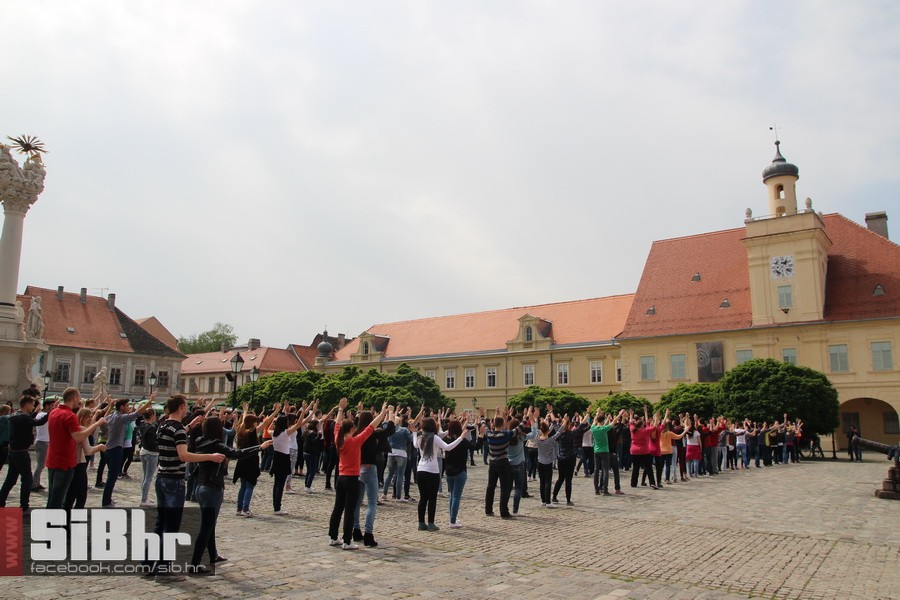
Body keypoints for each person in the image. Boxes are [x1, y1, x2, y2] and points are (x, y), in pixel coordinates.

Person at [148, 395, 225, 582]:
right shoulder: (178, 430)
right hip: (174, 480)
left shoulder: (164, 424)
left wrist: (190, 426)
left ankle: (149, 564)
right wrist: (209, 456)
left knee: (160, 523)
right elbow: (183, 456)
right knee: (171, 526)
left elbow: (176, 433)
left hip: (161, 478)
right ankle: (164, 570)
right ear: (183, 407)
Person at [190, 414, 272, 573]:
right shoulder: (216, 445)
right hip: (212, 487)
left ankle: (212, 554)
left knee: (209, 525)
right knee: (206, 527)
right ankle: (194, 563)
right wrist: (260, 447)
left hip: (200, 486)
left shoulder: (200, 441)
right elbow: (237, 453)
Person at [328, 398, 389, 550]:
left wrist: (341, 409)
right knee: (349, 510)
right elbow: (370, 427)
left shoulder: (338, 440)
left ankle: (333, 537)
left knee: (337, 508)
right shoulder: (354, 442)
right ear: (351, 430)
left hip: (341, 477)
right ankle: (347, 541)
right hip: (351, 479)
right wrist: (382, 413)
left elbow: (336, 425)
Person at [46, 387, 106, 509]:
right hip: (65, 461)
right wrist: (96, 424)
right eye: (78, 398)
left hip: (52, 459)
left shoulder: (53, 412)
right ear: (74, 398)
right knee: (58, 499)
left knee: (53, 496)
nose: (79, 401)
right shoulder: (70, 415)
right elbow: (77, 437)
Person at [414, 413, 469, 531]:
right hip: (432, 470)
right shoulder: (434, 437)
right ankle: (431, 523)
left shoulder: (420, 437)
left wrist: (414, 432)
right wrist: (461, 438)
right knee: (432, 498)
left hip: (420, 470)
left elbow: (414, 444)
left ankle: (421, 523)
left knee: (423, 498)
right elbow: (448, 447)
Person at [352, 405, 395, 546]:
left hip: (357, 469)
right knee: (371, 504)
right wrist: (390, 413)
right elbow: (389, 430)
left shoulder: (356, 433)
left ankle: (356, 530)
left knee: (357, 503)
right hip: (370, 469)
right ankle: (368, 534)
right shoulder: (373, 433)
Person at [0, 396, 50, 511]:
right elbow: (39, 422)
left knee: (10, 479)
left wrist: (35, 412)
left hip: (13, 452)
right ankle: (24, 506)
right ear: (27, 404)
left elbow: (28, 421)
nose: (33, 407)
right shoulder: (23, 418)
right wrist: (51, 412)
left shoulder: (16, 416)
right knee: (27, 479)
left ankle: (1, 501)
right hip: (22, 453)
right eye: (32, 405)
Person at [102, 395, 153, 507]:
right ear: (121, 407)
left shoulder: (112, 415)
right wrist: (149, 401)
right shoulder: (121, 417)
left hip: (108, 448)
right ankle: (106, 501)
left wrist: (110, 406)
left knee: (111, 476)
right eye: (126, 405)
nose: (128, 407)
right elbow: (137, 413)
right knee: (112, 477)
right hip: (116, 449)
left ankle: (107, 499)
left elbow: (104, 418)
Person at [233, 402, 278, 517]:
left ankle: (239, 509)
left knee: (243, 486)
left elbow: (243, 421)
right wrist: (276, 412)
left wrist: (244, 411)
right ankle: (245, 509)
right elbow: (266, 423)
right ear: (253, 423)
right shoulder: (251, 432)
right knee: (249, 485)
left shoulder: (241, 431)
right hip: (251, 461)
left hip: (242, 461)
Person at [63, 407, 106, 510]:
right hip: (79, 464)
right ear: (83, 417)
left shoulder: (75, 428)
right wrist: (100, 447)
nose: (91, 419)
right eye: (90, 417)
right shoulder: (81, 429)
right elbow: (88, 451)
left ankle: (66, 520)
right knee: (81, 496)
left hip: (71, 464)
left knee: (70, 495)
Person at [483, 407, 518, 519]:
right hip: (503, 462)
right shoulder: (505, 435)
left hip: (492, 463)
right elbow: (517, 429)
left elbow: (484, 424)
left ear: (493, 424)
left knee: (491, 486)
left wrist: (484, 416)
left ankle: (488, 509)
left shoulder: (489, 434)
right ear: (502, 424)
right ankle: (504, 511)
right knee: (505, 487)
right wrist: (533, 418)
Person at [443, 416, 474, 528]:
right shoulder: (462, 441)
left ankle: (453, 517)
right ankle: (452, 521)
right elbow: (474, 447)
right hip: (460, 470)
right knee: (456, 496)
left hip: (449, 471)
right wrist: (481, 435)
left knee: (452, 495)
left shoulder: (446, 439)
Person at [383, 410, 414, 502]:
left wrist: (390, 414)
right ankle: (398, 496)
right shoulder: (404, 430)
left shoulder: (389, 430)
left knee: (389, 474)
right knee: (400, 475)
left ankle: (384, 493)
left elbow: (384, 423)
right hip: (401, 453)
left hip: (391, 452)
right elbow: (411, 439)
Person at [31, 398, 54, 492]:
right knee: (41, 465)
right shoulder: (44, 415)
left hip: (41, 441)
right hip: (43, 442)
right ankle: (33, 483)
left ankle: (37, 482)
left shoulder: (40, 414)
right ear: (47, 406)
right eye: (51, 406)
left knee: (40, 464)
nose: (52, 408)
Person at [138, 408, 160, 506]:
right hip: (151, 453)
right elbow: (152, 443)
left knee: (145, 476)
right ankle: (144, 499)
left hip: (143, 451)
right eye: (154, 415)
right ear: (151, 416)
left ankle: (144, 496)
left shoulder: (143, 425)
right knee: (148, 477)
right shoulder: (151, 428)